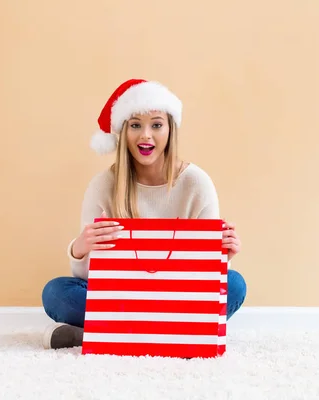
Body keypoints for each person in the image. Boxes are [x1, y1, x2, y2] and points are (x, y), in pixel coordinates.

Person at [41, 79, 247, 350]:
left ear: (170, 130)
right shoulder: (103, 185)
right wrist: (79, 250)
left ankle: (102, 334)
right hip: (123, 296)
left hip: (177, 295)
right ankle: (166, 333)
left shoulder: (197, 183)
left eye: (157, 125)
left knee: (234, 284)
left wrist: (222, 256)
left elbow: (207, 282)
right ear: (124, 132)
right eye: (136, 125)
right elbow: (89, 277)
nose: (146, 135)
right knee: (56, 293)